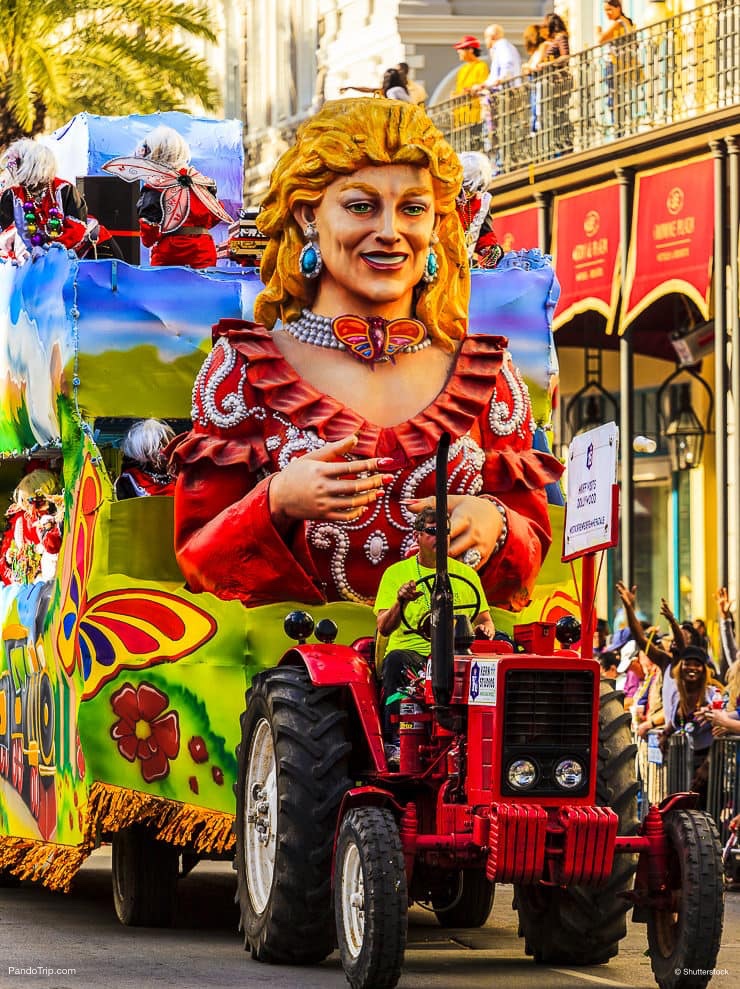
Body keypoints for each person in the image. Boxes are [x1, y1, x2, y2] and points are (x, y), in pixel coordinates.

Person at [171, 98, 563, 611]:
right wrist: (279, 499)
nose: (389, 231)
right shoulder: (244, 371)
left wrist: (495, 524)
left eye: (413, 209)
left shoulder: (486, 376)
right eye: (361, 206)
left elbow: (532, 546)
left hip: (452, 674)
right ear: (308, 214)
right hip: (279, 678)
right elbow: (198, 557)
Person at [374, 506, 495, 764]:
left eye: (445, 531)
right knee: (396, 660)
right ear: (417, 535)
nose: (440, 537)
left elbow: (485, 619)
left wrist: (487, 630)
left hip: (458, 655)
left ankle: (491, 739)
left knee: (504, 647)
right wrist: (401, 601)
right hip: (414, 655)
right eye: (432, 531)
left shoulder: (466, 574)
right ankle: (396, 740)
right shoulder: (396, 574)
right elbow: (384, 627)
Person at [102, 126, 232, 269]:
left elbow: (148, 236)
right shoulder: (202, 182)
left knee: (164, 289)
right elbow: (216, 215)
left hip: (170, 252)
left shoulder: (156, 186)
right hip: (204, 250)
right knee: (204, 289)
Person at [0, 139, 119, 262]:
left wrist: (48, 249)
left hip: (93, 249)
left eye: (17, 163)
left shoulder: (63, 189)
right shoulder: (12, 194)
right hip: (51, 259)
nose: (10, 167)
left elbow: (77, 228)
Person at [0, 469, 63, 584]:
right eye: (24, 502)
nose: (30, 508)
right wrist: (9, 560)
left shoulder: (55, 519)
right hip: (27, 588)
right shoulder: (20, 521)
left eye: (33, 501)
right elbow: (6, 569)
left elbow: (53, 547)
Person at [598, 0, 639, 138]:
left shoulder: (619, 23)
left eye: (609, 9)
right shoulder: (627, 22)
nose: (607, 13)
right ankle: (621, 128)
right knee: (619, 98)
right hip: (623, 64)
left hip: (616, 65)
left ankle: (618, 130)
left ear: (618, 8)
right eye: (605, 10)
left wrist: (598, 32)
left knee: (614, 99)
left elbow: (601, 39)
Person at [455, 152, 502, 268]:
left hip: (466, 268)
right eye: (466, 188)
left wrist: (491, 250)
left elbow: (484, 234)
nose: (471, 194)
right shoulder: (443, 200)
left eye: (477, 189)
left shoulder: (482, 203)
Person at [115, 419, 176, 499]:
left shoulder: (179, 476)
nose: (164, 450)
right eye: (158, 447)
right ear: (144, 452)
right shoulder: (130, 479)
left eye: (167, 445)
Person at [451, 35, 490, 134]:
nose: (458, 51)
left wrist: (471, 91)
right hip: (460, 117)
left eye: (461, 49)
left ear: (471, 50)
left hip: (474, 117)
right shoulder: (462, 70)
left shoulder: (482, 67)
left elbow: (484, 89)